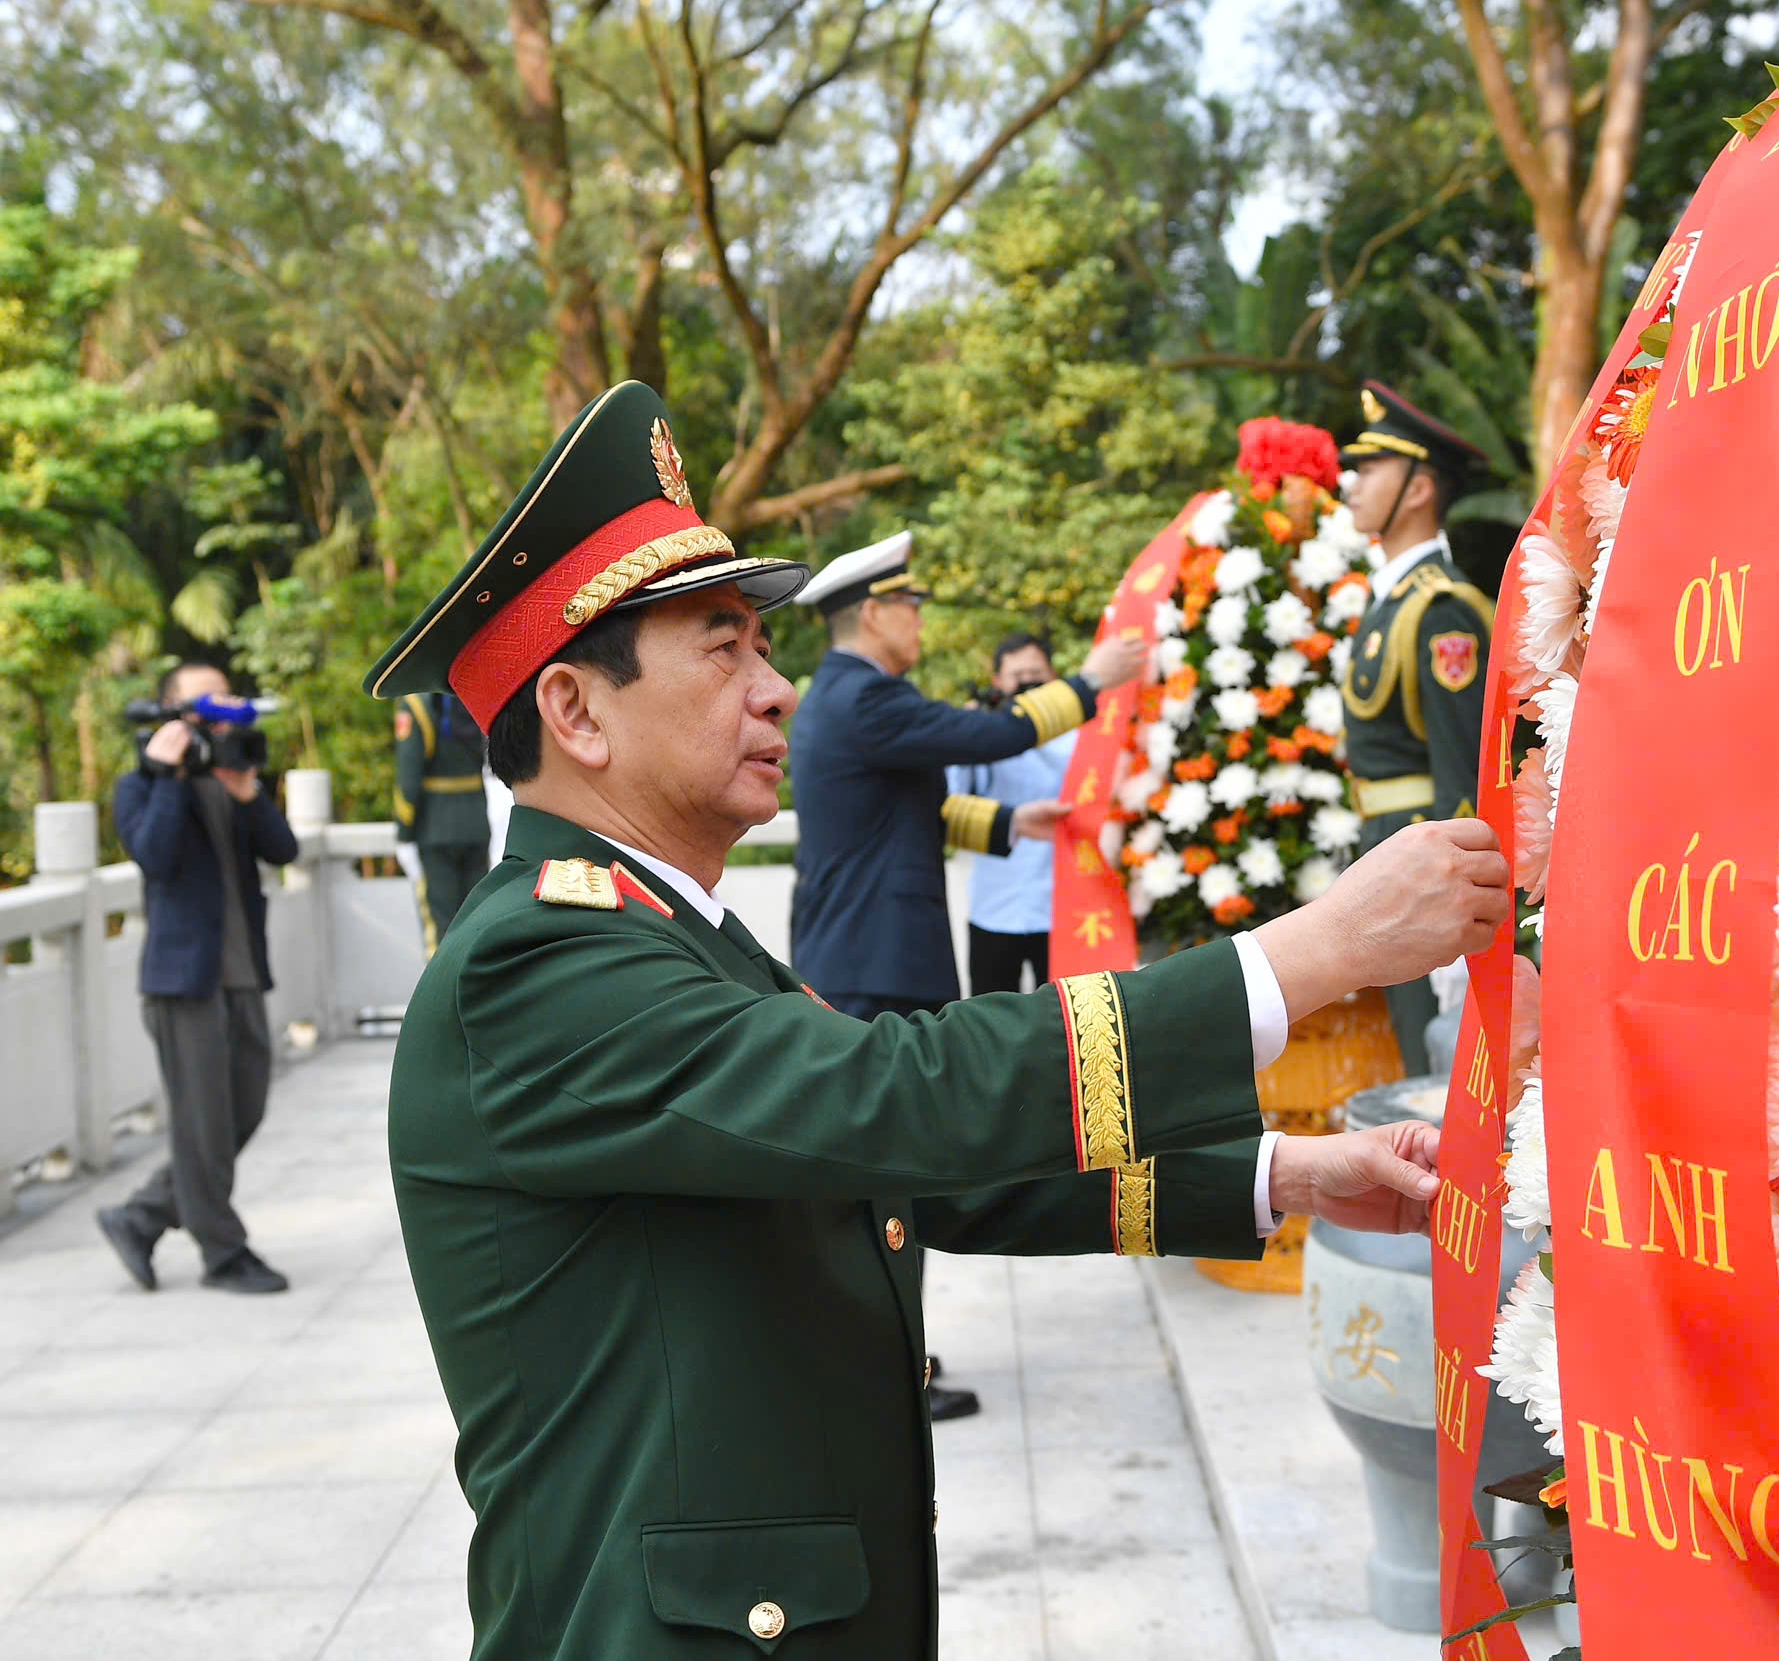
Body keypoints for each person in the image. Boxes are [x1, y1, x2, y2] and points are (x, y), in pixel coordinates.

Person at [362, 379, 1507, 1660]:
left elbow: (902, 1178)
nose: (776, 690)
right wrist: (1316, 949)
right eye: (724, 647)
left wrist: (1280, 1171)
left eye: (765, 645)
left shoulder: (660, 927)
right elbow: (892, 1097)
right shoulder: (537, 963)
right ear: (574, 712)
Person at [789, 535, 1146, 1419]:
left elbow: (906, 806)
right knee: (883, 1175)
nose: (918, 619)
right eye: (908, 605)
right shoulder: (866, 696)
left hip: (862, 955)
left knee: (887, 1174)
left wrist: (1003, 823)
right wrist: (1092, 680)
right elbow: (992, 729)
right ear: (873, 614)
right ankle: (881, 1364)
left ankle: (888, 1355)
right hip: (873, 964)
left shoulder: (845, 701)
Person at [95, 662, 299, 1295]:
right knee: (204, 1124)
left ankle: (141, 1215)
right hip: (183, 981)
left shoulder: (231, 774)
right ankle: (223, 1252)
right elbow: (153, 855)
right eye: (202, 701)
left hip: (241, 976)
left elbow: (284, 850)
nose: (218, 709)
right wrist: (168, 773)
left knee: (242, 1112)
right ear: (171, 712)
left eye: (225, 696)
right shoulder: (140, 787)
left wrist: (248, 793)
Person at [1338, 380, 1499, 1074]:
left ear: (1416, 489)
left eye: (1369, 469)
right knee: (1411, 1058)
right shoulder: (1390, 604)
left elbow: (1462, 774)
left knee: (1436, 1074)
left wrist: (1460, 916)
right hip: (1387, 844)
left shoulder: (1441, 611)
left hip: (1419, 853)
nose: (1350, 485)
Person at [948, 632, 1071, 996]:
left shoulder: (1076, 734)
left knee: (1068, 1017)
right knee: (990, 1015)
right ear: (998, 683)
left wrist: (1027, 728)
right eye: (1017, 677)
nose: (1027, 683)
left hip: (1060, 905)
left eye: (1036, 674)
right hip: (995, 903)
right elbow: (953, 793)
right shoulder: (983, 729)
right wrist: (967, 731)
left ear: (1053, 678)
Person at [392, 689, 492, 954]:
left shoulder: (416, 705)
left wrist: (404, 834)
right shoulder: (473, 695)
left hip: (434, 827)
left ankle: (443, 996)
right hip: (476, 823)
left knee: (441, 928)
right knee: (477, 924)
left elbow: (409, 776)